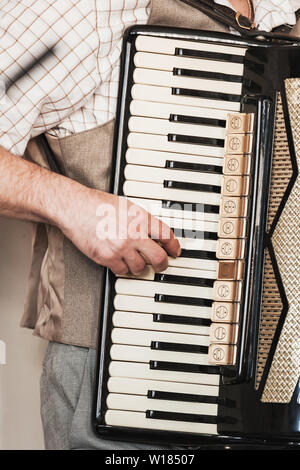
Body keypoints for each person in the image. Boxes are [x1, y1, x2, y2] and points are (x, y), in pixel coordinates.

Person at [0, 0, 299, 451]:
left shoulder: (286, 13)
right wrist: (75, 206)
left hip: (279, 391)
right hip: (127, 380)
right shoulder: (76, 9)